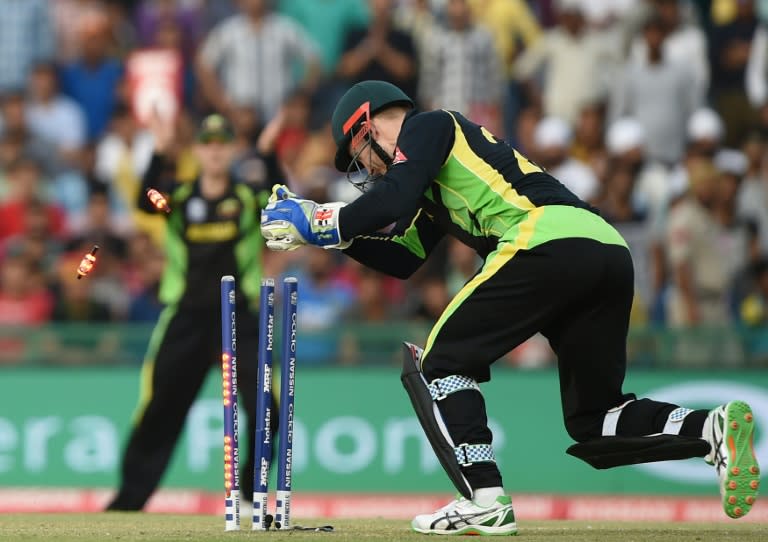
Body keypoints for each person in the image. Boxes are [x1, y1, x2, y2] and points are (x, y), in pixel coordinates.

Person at [260, 80, 761, 534]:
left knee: (443, 360)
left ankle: (486, 497)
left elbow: (389, 201)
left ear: (367, 126)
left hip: (545, 240)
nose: (365, 169)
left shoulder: (428, 126)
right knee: (596, 416)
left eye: (358, 156)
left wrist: (320, 219)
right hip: (604, 251)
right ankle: (710, 428)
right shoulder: (431, 181)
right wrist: (326, 238)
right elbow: (403, 256)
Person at [106, 113, 276, 510]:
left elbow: (276, 200)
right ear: (197, 149)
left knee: (266, 405)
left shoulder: (248, 198)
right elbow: (145, 201)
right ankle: (129, 502)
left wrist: (267, 156)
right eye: (208, 142)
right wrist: (160, 155)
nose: (215, 150)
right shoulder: (178, 200)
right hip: (186, 318)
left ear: (232, 149)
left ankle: (253, 496)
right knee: (160, 406)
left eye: (222, 143)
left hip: (242, 319)